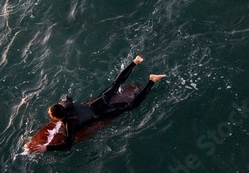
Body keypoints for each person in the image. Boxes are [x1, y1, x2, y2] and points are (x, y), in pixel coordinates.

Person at [37, 55, 166, 152]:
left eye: (50, 114)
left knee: (131, 105)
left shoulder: (69, 122)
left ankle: (152, 80)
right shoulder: (66, 104)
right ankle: (135, 61)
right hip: (98, 101)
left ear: (56, 117)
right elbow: (67, 97)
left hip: (104, 111)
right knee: (115, 85)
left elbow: (68, 145)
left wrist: (47, 148)